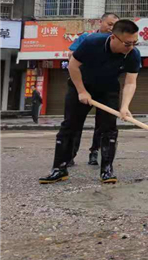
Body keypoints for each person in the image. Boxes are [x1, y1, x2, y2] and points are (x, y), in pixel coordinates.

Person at [39, 20, 141, 184]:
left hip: (108, 90)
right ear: (114, 37)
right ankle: (59, 169)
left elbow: (130, 82)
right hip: (80, 86)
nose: (131, 46)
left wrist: (125, 106)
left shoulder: (133, 54)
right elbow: (73, 66)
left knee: (109, 129)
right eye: (128, 43)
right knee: (70, 126)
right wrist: (81, 91)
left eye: (135, 42)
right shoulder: (93, 43)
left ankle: (107, 170)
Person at [68, 13, 120, 166]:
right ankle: (69, 154)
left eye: (114, 26)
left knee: (103, 124)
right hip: (83, 85)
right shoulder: (87, 38)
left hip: (105, 87)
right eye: (109, 24)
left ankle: (94, 152)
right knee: (74, 122)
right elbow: (72, 56)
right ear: (100, 22)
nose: (111, 28)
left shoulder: (116, 43)